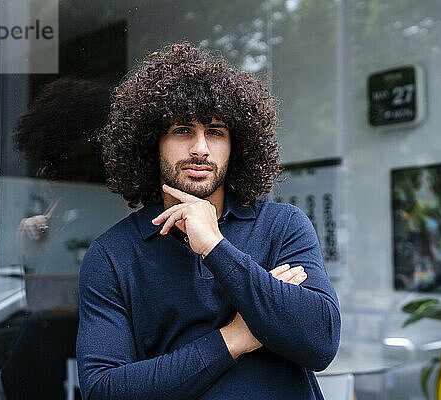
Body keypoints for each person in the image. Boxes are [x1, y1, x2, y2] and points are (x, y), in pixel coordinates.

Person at [76, 42, 341, 399]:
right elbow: (104, 390)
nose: (200, 148)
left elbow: (321, 343)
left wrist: (216, 247)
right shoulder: (113, 254)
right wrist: (236, 337)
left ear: (237, 146)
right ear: (152, 142)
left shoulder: (282, 226)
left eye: (215, 132)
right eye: (183, 130)